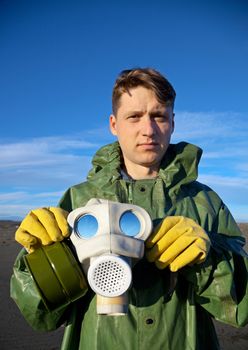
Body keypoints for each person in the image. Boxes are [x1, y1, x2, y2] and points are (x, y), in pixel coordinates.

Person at [10, 68, 248, 350]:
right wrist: (37, 260)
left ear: (172, 123)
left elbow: (240, 308)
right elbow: (40, 316)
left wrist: (208, 257)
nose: (148, 129)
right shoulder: (78, 199)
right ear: (114, 124)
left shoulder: (205, 202)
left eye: (159, 116)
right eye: (134, 116)